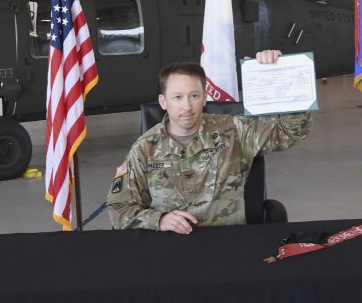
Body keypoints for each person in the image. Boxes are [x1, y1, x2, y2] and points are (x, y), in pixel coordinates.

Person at [106, 50, 312, 233]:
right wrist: (158, 220)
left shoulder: (234, 131)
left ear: (205, 98)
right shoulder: (144, 148)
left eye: (194, 96)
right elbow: (119, 208)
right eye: (177, 97)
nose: (187, 106)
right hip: (170, 244)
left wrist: (281, 72)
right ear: (163, 102)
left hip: (229, 243)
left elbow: (289, 132)